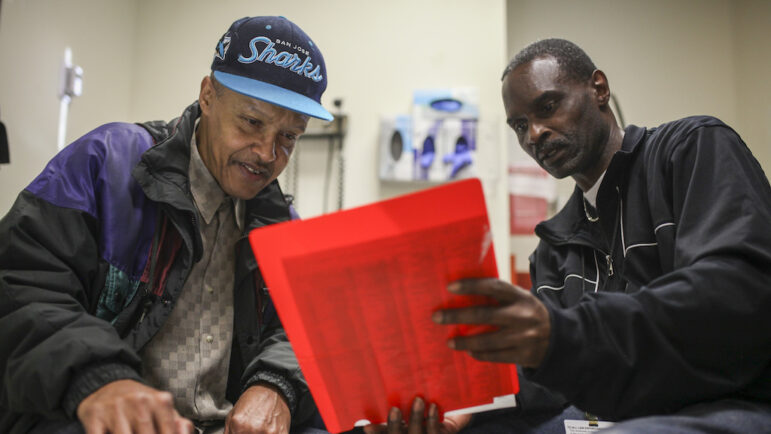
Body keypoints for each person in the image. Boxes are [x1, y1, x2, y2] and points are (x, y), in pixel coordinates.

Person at [375, 39, 771, 433]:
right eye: (519, 125)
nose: (534, 134)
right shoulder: (554, 245)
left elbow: (733, 298)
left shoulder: (690, 150)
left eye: (547, 107)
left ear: (599, 89)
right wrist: (466, 406)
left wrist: (564, 334)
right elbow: (548, 380)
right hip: (607, 415)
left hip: (727, 400)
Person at [0, 16, 334, 434]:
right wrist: (101, 379)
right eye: (252, 122)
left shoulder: (281, 224)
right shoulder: (106, 164)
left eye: (289, 137)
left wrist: (276, 384)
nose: (268, 153)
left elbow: (309, 328)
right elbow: (22, 287)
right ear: (208, 96)